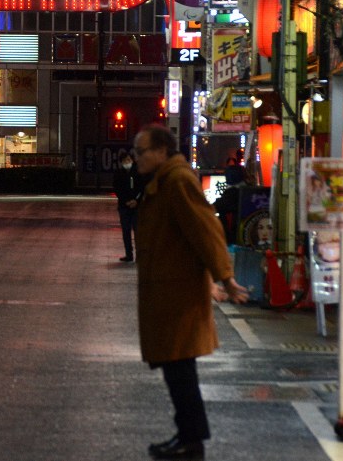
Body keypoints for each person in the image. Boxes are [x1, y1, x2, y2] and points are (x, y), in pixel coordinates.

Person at [133, 124, 248, 460]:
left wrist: (224, 276)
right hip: (171, 295)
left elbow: (205, 230)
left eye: (141, 152)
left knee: (180, 371)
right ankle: (187, 437)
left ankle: (190, 439)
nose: (136, 158)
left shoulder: (177, 182)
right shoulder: (166, 181)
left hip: (177, 299)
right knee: (177, 371)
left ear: (161, 151)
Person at [112, 150, 145, 262]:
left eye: (129, 160)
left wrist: (136, 200)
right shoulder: (118, 173)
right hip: (124, 206)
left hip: (136, 206)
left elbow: (142, 188)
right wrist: (125, 201)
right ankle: (129, 254)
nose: (128, 162)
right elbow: (117, 189)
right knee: (126, 230)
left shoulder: (138, 172)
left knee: (137, 231)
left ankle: (139, 255)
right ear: (121, 162)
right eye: (125, 160)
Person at [213, 164, 246, 244]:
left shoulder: (227, 197)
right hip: (247, 239)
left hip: (229, 241)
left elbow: (211, 208)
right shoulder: (250, 194)